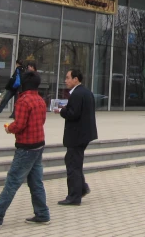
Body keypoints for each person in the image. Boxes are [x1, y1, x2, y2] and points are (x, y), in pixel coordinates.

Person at [0, 72, 50, 228]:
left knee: (12, 181)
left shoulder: (23, 101)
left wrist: (10, 128)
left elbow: (20, 124)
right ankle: (42, 213)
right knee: (36, 182)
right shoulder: (40, 100)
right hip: (39, 144)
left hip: (26, 147)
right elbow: (41, 121)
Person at [55, 68, 98, 206]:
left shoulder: (77, 94)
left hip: (76, 135)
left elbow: (73, 114)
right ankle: (81, 188)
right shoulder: (86, 92)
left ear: (76, 79)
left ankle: (74, 196)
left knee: (73, 164)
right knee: (74, 162)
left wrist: (62, 111)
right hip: (84, 134)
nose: (66, 81)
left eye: (68, 78)